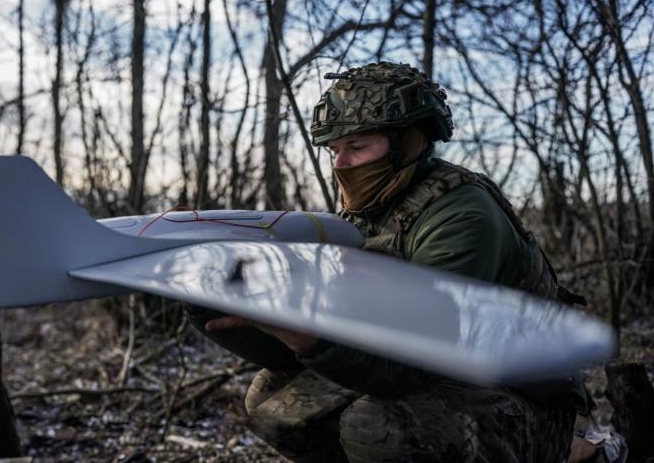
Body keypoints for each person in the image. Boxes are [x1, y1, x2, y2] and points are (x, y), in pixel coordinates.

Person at [186, 62, 586, 462]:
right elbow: (300, 351)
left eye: (357, 147)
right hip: (435, 372)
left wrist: (309, 336)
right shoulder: (370, 212)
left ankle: (577, 452)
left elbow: (409, 358)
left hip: (525, 400)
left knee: (376, 425)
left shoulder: (462, 216)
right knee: (274, 401)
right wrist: (213, 297)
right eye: (334, 150)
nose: (341, 164)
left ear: (407, 142)